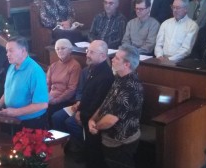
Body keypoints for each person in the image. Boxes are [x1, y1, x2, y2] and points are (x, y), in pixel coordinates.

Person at [52, 40, 115, 168]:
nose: (87, 54)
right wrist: (79, 110)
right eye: (88, 51)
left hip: (92, 118)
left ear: (103, 56)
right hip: (85, 113)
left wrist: (83, 114)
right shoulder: (94, 69)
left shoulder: (105, 76)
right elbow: (85, 94)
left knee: (93, 154)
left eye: (92, 52)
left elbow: (99, 102)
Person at [89, 45, 144, 168]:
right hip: (110, 136)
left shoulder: (130, 87)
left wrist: (95, 127)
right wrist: (92, 119)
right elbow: (106, 102)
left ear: (127, 64)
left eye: (117, 58)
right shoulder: (119, 77)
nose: (112, 59)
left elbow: (110, 120)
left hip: (121, 139)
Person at [0, 36, 49, 134]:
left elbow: (42, 104)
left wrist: (16, 112)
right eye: (7, 51)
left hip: (31, 124)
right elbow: (8, 90)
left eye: (11, 51)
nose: (7, 54)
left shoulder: (35, 71)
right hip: (12, 120)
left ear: (23, 51)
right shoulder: (11, 67)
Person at [46, 39, 81, 124]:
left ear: (70, 50)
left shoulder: (75, 66)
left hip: (65, 101)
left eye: (63, 48)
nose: (60, 51)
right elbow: (47, 84)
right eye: (57, 49)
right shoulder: (53, 66)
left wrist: (56, 100)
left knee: (49, 113)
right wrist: (45, 97)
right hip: (50, 99)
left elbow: (71, 89)